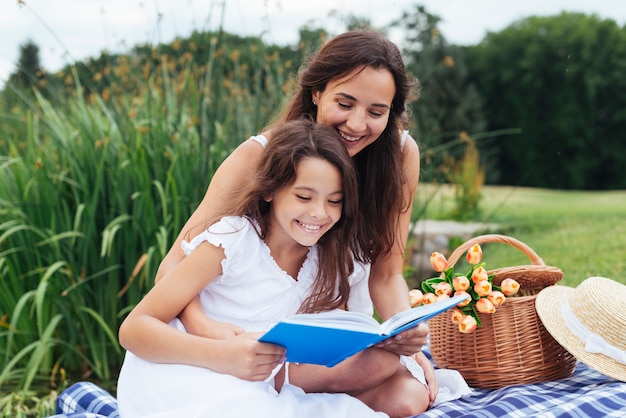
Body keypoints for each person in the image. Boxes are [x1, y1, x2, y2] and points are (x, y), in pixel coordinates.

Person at [155, 29, 438, 415]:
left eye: (376, 111)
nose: (357, 124)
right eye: (345, 103)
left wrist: (406, 337)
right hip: (247, 331)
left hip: (331, 338)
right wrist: (209, 332)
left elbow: (387, 274)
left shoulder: (398, 155)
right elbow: (173, 264)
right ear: (316, 92)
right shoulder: (260, 157)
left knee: (409, 398)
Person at [117, 119, 429, 417]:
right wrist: (221, 356)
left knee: (405, 393)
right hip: (195, 364)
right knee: (250, 409)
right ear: (270, 191)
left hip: (273, 372)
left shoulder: (327, 257)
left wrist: (398, 343)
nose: (318, 213)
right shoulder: (234, 240)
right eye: (304, 196)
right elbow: (133, 328)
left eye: (334, 201)